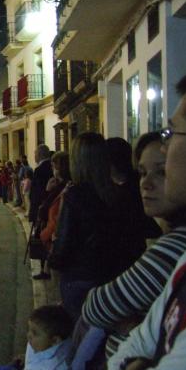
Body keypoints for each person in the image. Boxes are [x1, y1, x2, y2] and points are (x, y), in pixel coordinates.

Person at [83, 73, 186, 370]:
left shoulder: (177, 246)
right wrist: (137, 365)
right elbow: (139, 342)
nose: (146, 182)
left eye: (173, 134)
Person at [82, 131, 186, 358]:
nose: (146, 183)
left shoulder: (176, 246)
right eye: (141, 172)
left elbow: (96, 308)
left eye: (162, 172)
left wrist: (132, 322)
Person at [47, 133, 140, 320]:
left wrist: (53, 258)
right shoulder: (120, 193)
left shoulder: (75, 195)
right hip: (111, 276)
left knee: (81, 334)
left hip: (79, 276)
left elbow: (64, 242)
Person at [34, 151, 71, 280]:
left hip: (54, 236)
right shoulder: (57, 184)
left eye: (54, 166)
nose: (52, 169)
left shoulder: (66, 188)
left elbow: (49, 209)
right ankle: (45, 271)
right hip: (50, 234)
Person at [29, 145, 53, 225]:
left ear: (39, 154)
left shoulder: (39, 170)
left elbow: (37, 192)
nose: (34, 156)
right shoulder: (51, 166)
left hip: (40, 207)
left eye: (35, 154)